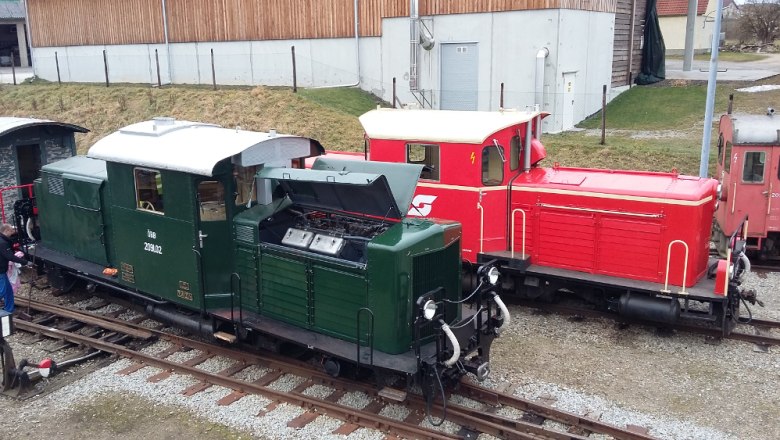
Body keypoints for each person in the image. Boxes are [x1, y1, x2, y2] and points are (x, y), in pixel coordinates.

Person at [0, 223, 29, 313]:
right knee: (2, 290)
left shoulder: (3, 241)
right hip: (0, 270)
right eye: (11, 230)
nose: (13, 232)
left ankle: (9, 309)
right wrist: (26, 262)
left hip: (2, 269)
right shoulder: (3, 243)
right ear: (6, 231)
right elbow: (10, 257)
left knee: (8, 291)